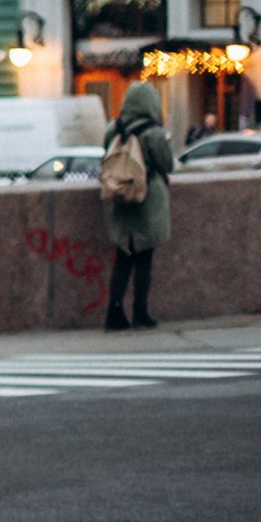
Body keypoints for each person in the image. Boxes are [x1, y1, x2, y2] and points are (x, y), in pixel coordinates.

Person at [103, 79, 174, 332]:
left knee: (123, 257)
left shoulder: (113, 128)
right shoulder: (153, 132)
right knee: (144, 256)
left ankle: (114, 312)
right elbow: (167, 165)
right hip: (146, 199)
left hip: (119, 197)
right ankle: (140, 312)